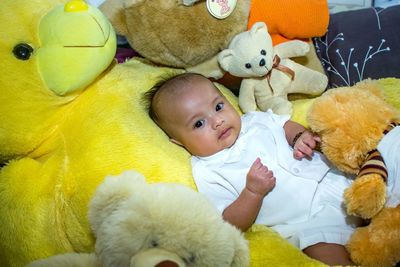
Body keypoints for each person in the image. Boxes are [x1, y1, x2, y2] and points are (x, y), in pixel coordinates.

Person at [143, 72, 361, 265]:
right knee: (326, 254)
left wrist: (298, 137)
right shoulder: (208, 171)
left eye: (218, 107)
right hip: (309, 221)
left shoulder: (254, 120)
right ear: (179, 142)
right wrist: (252, 193)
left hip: (337, 179)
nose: (217, 121)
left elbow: (284, 124)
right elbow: (229, 223)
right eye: (198, 123)